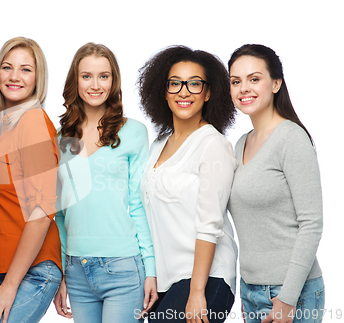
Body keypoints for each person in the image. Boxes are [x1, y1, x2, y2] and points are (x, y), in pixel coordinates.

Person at [52, 42, 157, 323]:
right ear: (75, 81)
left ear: (113, 81)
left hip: (123, 267)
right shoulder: (60, 137)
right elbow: (59, 214)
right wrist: (62, 271)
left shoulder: (134, 132)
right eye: (86, 76)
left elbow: (138, 203)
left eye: (104, 76)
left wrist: (151, 270)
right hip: (76, 269)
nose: (95, 85)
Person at [0, 37, 62, 323]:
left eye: (26, 69)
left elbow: (42, 211)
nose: (15, 76)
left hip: (27, 273)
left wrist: (10, 286)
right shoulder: (2, 128)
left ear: (37, 79)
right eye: (7, 67)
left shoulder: (32, 122)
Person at [137, 45, 238, 323]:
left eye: (194, 84)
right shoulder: (157, 145)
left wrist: (197, 291)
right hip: (165, 282)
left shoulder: (213, 144)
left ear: (207, 93)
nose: (184, 91)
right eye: (175, 83)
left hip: (206, 278)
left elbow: (210, 224)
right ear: (163, 91)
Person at [228, 44, 324, 323]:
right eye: (236, 81)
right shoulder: (240, 144)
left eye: (254, 79)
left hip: (290, 292)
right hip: (251, 290)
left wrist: (288, 298)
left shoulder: (291, 138)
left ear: (276, 83)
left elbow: (312, 224)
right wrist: (248, 289)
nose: (244, 88)